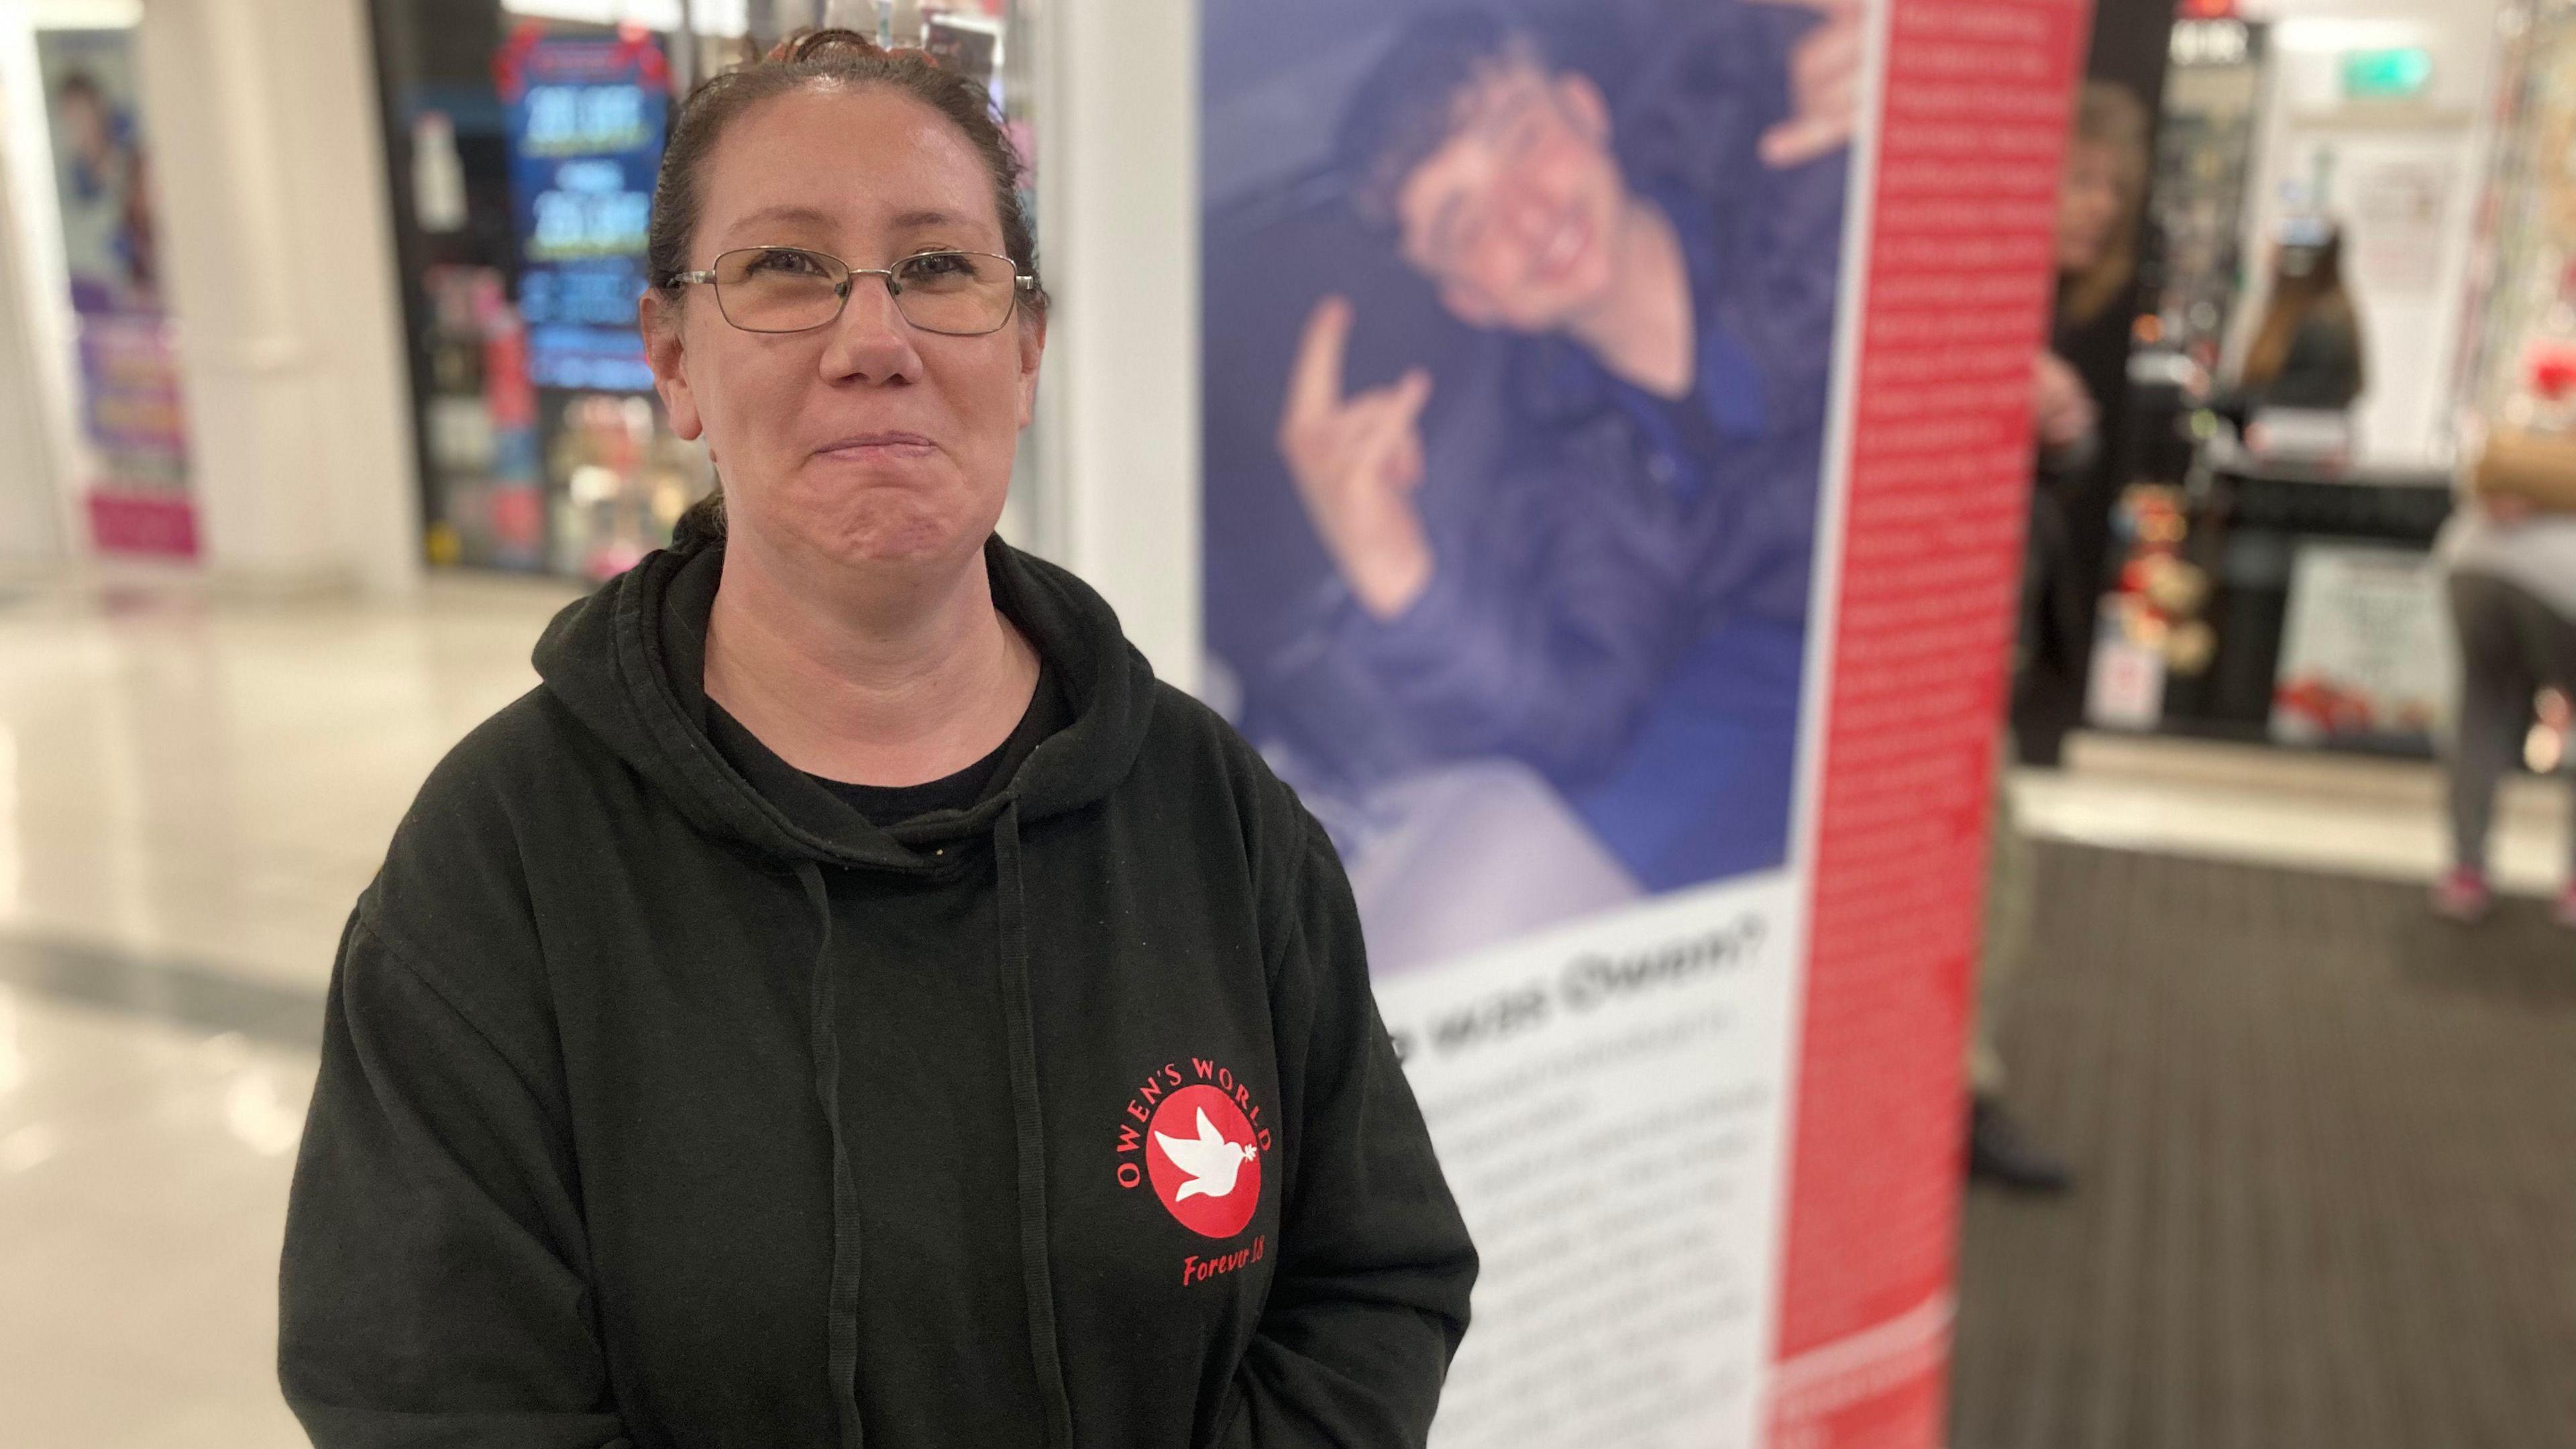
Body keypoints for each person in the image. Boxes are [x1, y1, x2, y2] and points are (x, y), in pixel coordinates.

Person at [278, 32, 1475, 1449]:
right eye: (785, 268)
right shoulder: (504, 863)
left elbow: (1374, 1280)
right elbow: (424, 1399)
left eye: (938, 268)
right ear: (673, 359)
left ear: (1024, 351)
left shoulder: (1213, 813)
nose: (874, 342)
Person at [1260, 1, 1856, 894]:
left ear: (1588, 110)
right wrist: (1398, 575)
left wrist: (1928, 120)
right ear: (1468, 298)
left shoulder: (1802, 169)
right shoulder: (1550, 463)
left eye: (1524, 138)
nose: (1528, 215)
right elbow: (1584, 718)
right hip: (1794, 751)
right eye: (1464, 222)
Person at [2432, 435, 2576, 926]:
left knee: (2483, 711)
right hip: (2563, 582)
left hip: (2471, 563)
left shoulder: (2527, 453)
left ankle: (2465, 873)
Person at [2235, 220, 2366, 418]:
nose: (2268, 261)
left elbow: (2315, 391)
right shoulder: (2295, 315)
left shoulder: (2322, 324)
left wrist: (2236, 400)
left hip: (2295, 435)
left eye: (2277, 255)